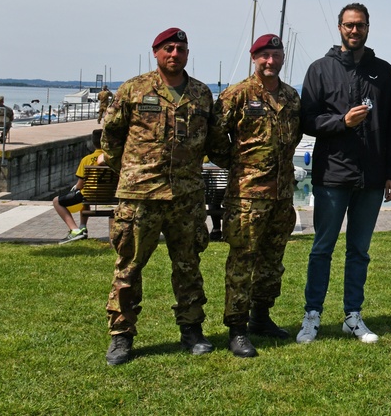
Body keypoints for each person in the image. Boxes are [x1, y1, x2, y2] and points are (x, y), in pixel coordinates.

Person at [100, 27, 228, 366]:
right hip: (140, 194)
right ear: (156, 52)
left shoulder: (201, 94)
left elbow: (213, 142)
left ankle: (192, 330)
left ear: (188, 54)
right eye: (168, 48)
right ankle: (121, 336)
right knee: (129, 266)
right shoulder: (134, 89)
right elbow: (111, 138)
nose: (175, 54)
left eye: (181, 49)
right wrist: (130, 170)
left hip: (186, 196)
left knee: (188, 265)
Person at [296, 3, 391, 345]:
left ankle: (352, 316)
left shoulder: (383, 72)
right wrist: (341, 122)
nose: (354, 31)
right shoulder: (319, 69)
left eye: (359, 25)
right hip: (331, 175)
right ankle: (312, 315)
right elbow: (307, 120)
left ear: (368, 27)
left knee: (359, 250)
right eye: (348, 25)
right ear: (339, 27)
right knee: (322, 247)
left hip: (371, 177)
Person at [210, 34, 303, 358]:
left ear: (282, 57)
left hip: (281, 196)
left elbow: (294, 136)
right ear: (254, 58)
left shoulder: (291, 97)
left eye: (275, 55)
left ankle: (261, 316)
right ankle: (237, 328)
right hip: (247, 196)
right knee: (242, 262)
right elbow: (214, 136)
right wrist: (238, 165)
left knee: (272, 262)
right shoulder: (237, 94)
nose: (270, 61)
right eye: (263, 55)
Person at [52, 129, 104, 243]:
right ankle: (82, 227)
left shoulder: (86, 159)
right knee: (85, 197)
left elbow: (80, 185)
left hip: (89, 194)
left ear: (93, 143)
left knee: (57, 201)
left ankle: (75, 230)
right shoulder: (113, 159)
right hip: (110, 195)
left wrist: (75, 187)